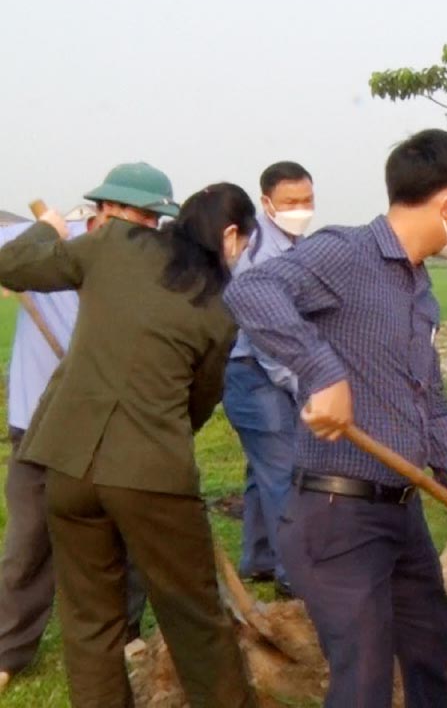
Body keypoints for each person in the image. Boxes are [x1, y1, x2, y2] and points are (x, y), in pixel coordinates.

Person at [224, 129, 447, 708]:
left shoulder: (418, 287)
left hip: (402, 510)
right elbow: (253, 290)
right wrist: (322, 370)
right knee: (365, 679)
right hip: (337, 513)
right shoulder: (345, 252)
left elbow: (427, 399)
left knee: (430, 641)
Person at [0, 178, 258, 707]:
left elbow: (11, 264)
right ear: (230, 237)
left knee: (91, 619)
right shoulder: (219, 307)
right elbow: (200, 400)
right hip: (150, 471)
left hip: (67, 465)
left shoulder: (111, 244)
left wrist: (45, 232)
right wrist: (155, 435)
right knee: (194, 616)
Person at [0, 163, 182, 692]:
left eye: (153, 219)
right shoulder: (49, 242)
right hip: (40, 420)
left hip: (115, 423)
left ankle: (124, 632)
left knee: (123, 534)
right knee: (30, 539)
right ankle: (10, 646)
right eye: (136, 215)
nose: (143, 226)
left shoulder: (155, 263)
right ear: (106, 210)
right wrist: (46, 231)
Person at [223, 161, 316, 596]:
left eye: (306, 200)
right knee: (287, 473)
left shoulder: (296, 243)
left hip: (268, 372)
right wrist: (302, 385)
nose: (300, 209)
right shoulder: (258, 254)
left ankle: (259, 558)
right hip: (256, 374)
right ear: (266, 203)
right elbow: (264, 336)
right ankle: (293, 575)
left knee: (263, 470)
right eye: (289, 202)